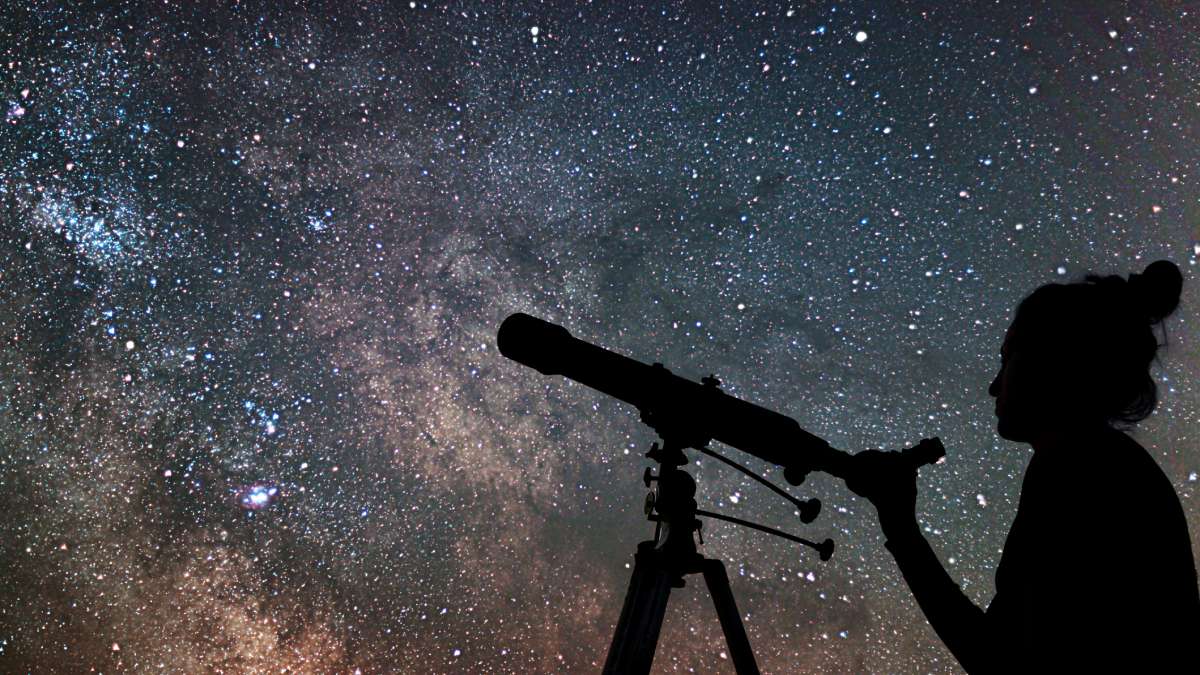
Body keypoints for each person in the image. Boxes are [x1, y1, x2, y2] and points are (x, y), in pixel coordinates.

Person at [845, 260, 1200, 673]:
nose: (994, 385)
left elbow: (997, 658)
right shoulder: (1101, 464)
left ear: (1053, 362)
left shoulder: (1078, 473)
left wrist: (901, 529)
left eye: (1007, 357)